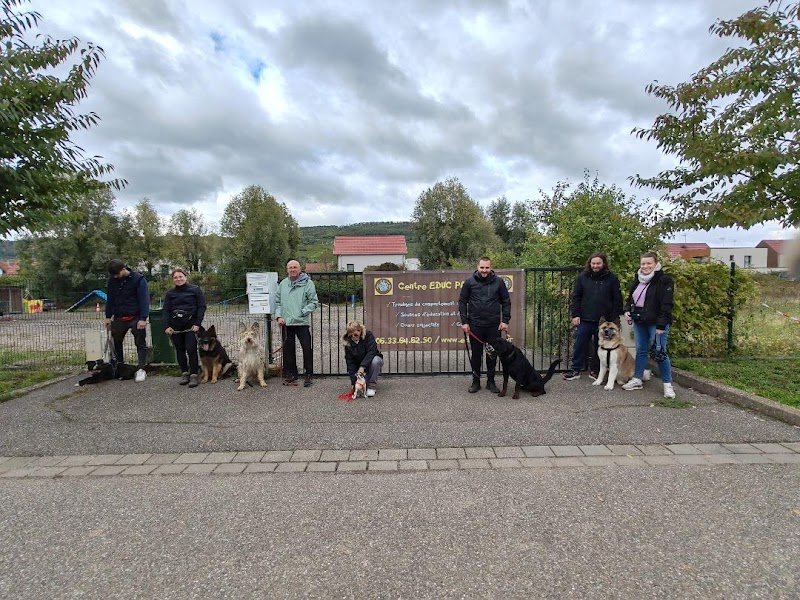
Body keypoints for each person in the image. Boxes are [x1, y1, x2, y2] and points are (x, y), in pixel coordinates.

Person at [622, 251, 676, 399]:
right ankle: (637, 379)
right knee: (641, 351)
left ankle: (667, 385)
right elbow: (631, 298)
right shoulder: (638, 279)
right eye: (643, 263)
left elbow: (667, 304)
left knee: (660, 353)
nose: (645, 266)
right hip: (640, 321)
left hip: (656, 323)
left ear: (655, 264)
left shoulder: (664, 280)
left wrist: (661, 325)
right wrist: (627, 310)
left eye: (648, 263)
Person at [563, 252, 624, 381]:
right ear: (590, 264)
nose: (595, 266)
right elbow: (576, 297)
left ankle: (595, 371)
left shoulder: (612, 278)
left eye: (598, 263)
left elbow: (617, 299)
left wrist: (613, 318)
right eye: (593, 263)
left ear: (604, 264)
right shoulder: (582, 277)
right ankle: (576, 369)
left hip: (604, 321)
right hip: (585, 318)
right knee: (579, 343)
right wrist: (575, 314)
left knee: (600, 346)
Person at [458, 256, 511, 393]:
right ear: (477, 267)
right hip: (475, 325)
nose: (484, 270)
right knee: (476, 355)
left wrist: (505, 320)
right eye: (482, 267)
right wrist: (464, 322)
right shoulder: (469, 282)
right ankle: (475, 382)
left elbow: (506, 301)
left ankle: (491, 382)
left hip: (493, 326)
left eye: (487, 267)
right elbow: (462, 302)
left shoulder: (499, 282)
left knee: (492, 354)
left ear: (491, 267)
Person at [275, 260, 319, 387]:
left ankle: (308, 375)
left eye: (295, 267)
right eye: (290, 267)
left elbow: (314, 302)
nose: (293, 269)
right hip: (286, 323)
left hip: (301, 322)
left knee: (306, 349)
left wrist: (302, 312)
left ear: (300, 269)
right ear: (287, 269)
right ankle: (291, 374)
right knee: (288, 350)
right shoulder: (283, 284)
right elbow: (277, 302)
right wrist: (278, 316)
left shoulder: (308, 283)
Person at [104, 259, 150, 382]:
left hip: (136, 316)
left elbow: (144, 299)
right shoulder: (112, 281)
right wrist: (108, 316)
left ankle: (141, 369)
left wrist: (143, 318)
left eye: (117, 274)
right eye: (114, 275)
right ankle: (120, 366)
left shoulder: (139, 279)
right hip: (119, 316)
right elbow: (110, 299)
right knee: (116, 341)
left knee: (140, 342)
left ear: (123, 269)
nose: (116, 277)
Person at [163, 268, 207, 388]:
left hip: (191, 326)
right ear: (173, 279)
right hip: (175, 327)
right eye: (175, 277)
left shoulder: (195, 290)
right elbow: (166, 310)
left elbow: (202, 306)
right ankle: (185, 373)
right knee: (180, 350)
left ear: (185, 277)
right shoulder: (170, 293)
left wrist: (197, 323)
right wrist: (166, 326)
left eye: (180, 276)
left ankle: (193, 374)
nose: (178, 279)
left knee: (191, 349)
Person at [342, 321, 384, 397]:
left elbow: (372, 351)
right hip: (359, 367)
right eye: (353, 333)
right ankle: (363, 384)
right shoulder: (347, 343)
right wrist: (353, 382)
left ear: (361, 330)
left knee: (376, 361)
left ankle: (372, 387)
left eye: (358, 330)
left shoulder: (368, 335)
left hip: (370, 362)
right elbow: (350, 362)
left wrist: (362, 366)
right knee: (360, 386)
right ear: (349, 333)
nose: (357, 334)